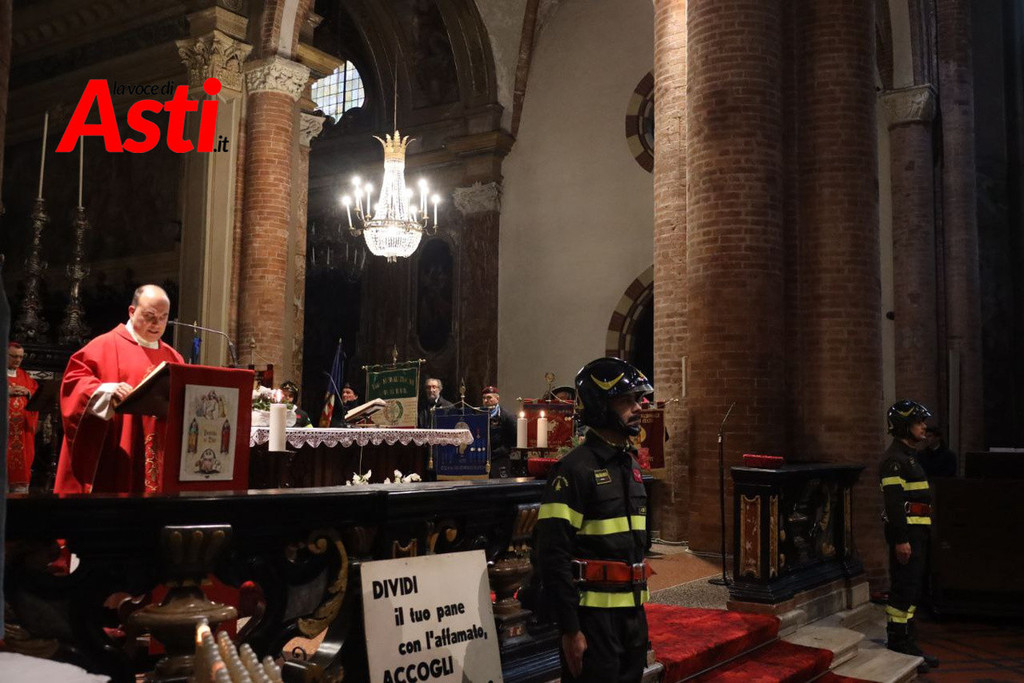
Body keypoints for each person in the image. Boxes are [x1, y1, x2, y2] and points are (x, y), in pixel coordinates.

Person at [535, 357, 653, 682]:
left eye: (638, 399)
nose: (638, 408)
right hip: (593, 621)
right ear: (600, 405)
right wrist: (570, 629)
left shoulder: (630, 467)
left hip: (632, 618)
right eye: (626, 400)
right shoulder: (574, 469)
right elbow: (552, 555)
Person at [55, 285, 184, 494]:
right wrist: (105, 391)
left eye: (163, 317)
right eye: (150, 316)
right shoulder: (105, 345)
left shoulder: (173, 357)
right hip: (117, 448)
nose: (157, 324)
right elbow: (73, 383)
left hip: (158, 450)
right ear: (132, 312)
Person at [881, 400, 940, 673]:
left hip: (918, 531)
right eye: (919, 422)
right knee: (904, 587)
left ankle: (908, 639)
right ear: (904, 426)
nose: (924, 427)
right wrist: (901, 540)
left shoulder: (909, 456)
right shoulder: (895, 460)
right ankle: (898, 640)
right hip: (907, 534)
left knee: (914, 586)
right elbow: (894, 505)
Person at [7, 342, 38, 492]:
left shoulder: (25, 376)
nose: (17, 360)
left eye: (20, 357)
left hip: (22, 433)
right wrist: (7, 392)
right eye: (14, 356)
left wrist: (27, 392)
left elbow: (37, 393)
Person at [481, 385, 516, 478]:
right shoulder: (478, 415)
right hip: (482, 458)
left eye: (489, 398)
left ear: (497, 399)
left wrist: (504, 449)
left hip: (500, 458)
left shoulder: (506, 416)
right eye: (484, 398)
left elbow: (514, 436)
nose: (486, 401)